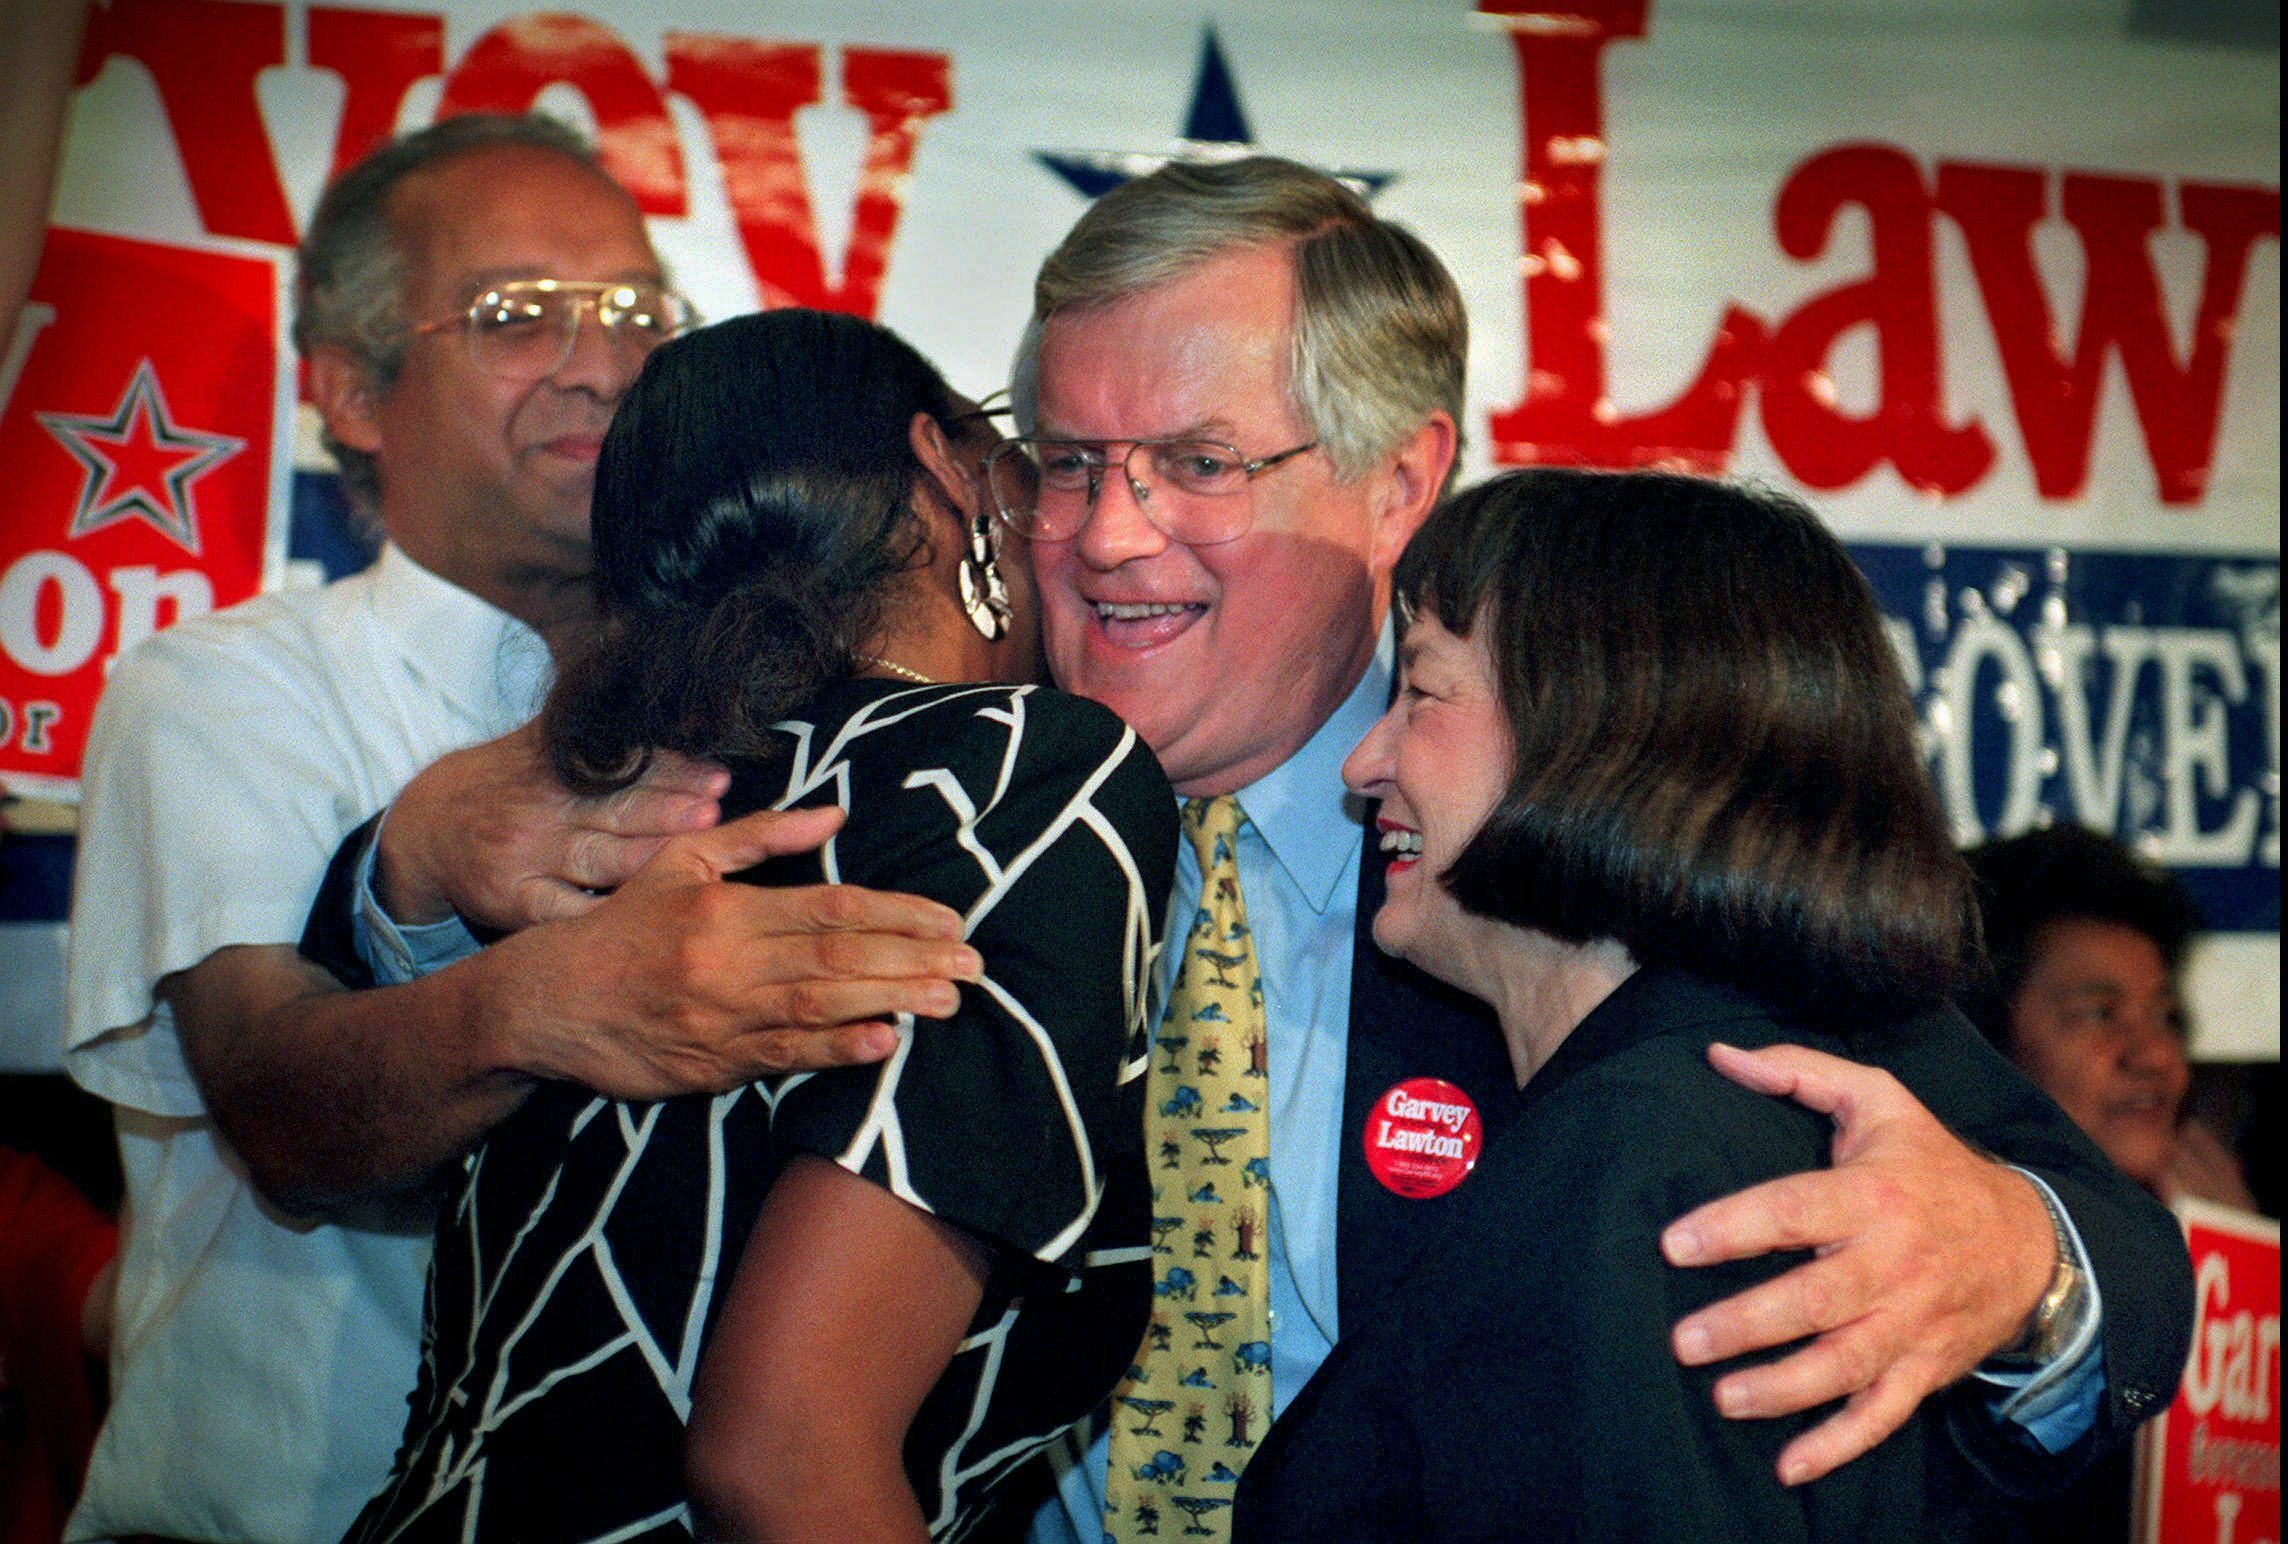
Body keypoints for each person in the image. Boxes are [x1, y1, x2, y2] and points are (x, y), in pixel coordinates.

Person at [334, 155, 2193, 1544]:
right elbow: (342, 1091)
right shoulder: (866, 780)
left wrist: (2020, 1259)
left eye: (1195, 464)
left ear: (1399, 481)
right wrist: (412, 881)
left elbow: (2094, 1234)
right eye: (1063, 462)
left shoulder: (1565, 829)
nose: (1111, 536)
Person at [60, 114, 970, 1544]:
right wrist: (532, 999)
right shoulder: (224, 691)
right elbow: (278, 1112)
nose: (601, 364)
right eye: (518, 315)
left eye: (634, 312)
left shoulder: (780, 697)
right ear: (350, 389)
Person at [329, 307, 1174, 1541]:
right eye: (1027, 458)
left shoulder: (617, 800)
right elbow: (781, 1453)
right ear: (946, 468)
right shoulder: (1026, 770)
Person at [1231, 468, 2166, 1538]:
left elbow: (2133, 1297)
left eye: (1424, 691)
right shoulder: (1719, 1105)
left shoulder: (1632, 1153)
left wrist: (2031, 1273)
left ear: (1599, 729)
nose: (1363, 761)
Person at [1964, 824, 2257, 1212]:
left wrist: (2233, 1251)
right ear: (1983, 1042)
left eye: (2166, 1017)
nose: (2157, 1057)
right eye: (2101, 1014)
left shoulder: (2209, 1220)